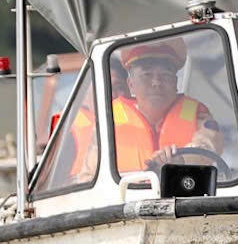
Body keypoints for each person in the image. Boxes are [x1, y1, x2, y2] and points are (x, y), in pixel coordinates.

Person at [62, 36, 224, 181]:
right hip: (124, 204)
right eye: (146, 75)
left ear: (175, 83)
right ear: (131, 84)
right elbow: (89, 175)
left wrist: (181, 160)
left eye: (165, 76)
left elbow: (209, 144)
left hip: (182, 197)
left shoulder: (196, 112)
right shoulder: (109, 118)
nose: (156, 82)